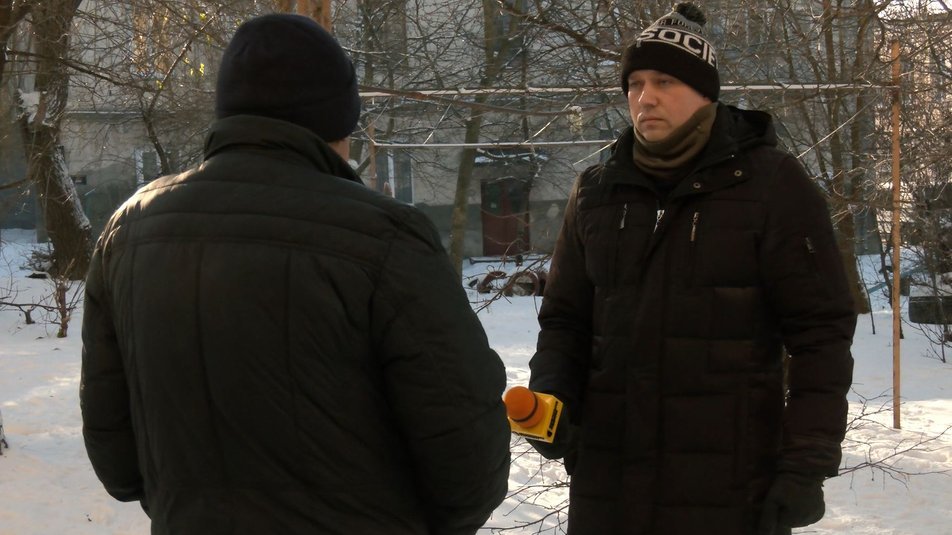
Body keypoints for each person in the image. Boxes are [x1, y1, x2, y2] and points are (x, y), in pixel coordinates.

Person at [80, 14, 510, 535]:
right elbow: (468, 460)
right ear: (337, 122)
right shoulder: (384, 238)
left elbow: (117, 457)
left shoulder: (128, 231)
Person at [526, 3, 856, 534]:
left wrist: (806, 463)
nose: (645, 97)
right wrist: (553, 402)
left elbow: (821, 336)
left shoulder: (771, 185)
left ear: (705, 93)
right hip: (609, 483)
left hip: (729, 487)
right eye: (635, 83)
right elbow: (565, 321)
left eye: (664, 81)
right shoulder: (597, 192)